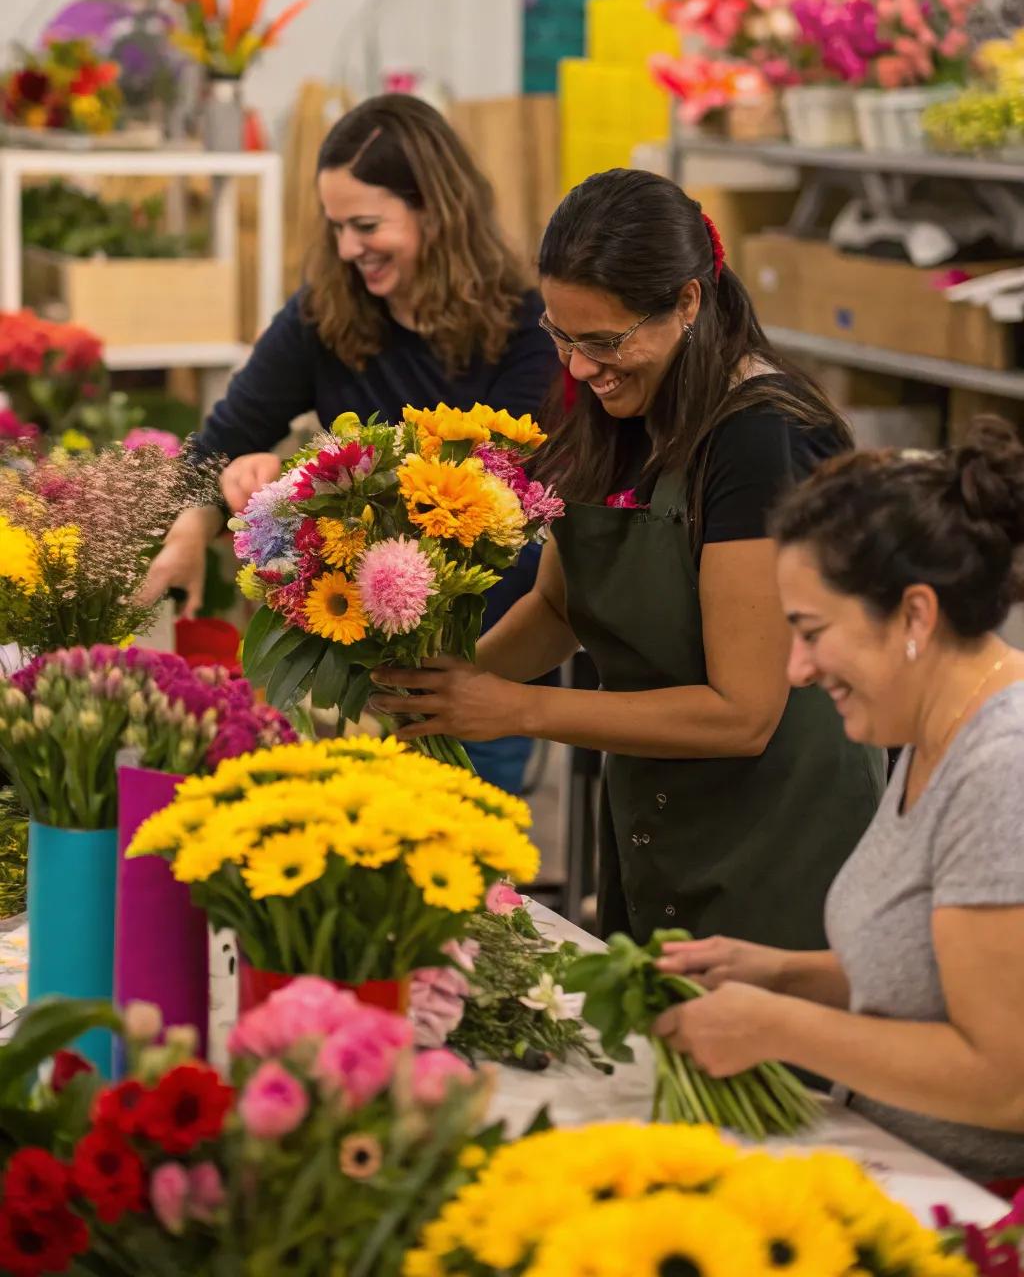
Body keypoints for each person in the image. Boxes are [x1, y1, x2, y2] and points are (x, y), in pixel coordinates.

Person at [372, 168, 885, 948]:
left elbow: (744, 713)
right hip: (660, 816)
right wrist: (442, 693)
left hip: (775, 840)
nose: (580, 367)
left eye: (605, 341)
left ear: (687, 302)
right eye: (562, 336)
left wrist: (514, 710)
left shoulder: (757, 436)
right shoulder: (617, 408)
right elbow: (558, 607)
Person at [142, 93, 559, 790]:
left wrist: (295, 483)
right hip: (345, 667)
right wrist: (194, 529)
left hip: (480, 661)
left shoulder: (526, 331)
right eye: (335, 227)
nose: (346, 249)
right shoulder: (324, 315)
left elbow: (492, 499)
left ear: (436, 207)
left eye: (366, 225)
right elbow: (220, 443)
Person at [653, 416, 1024, 1183]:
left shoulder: (1003, 770)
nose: (795, 669)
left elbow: (1005, 1081)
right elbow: (933, 974)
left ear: (916, 616)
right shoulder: (932, 729)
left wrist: (780, 1026)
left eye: (812, 631)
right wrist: (781, 973)